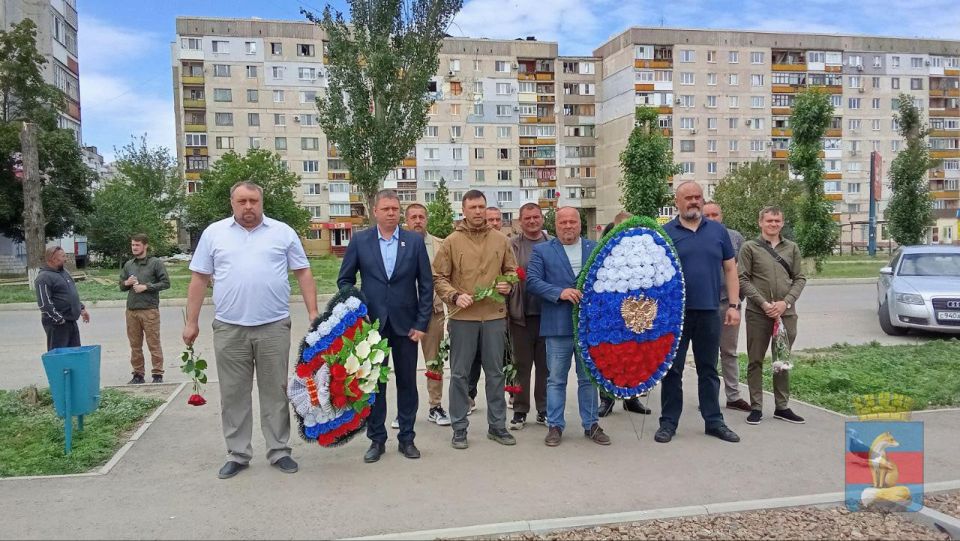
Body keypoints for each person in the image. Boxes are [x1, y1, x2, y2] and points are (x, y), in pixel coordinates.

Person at [183, 181, 318, 479]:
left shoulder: (282, 232)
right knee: (233, 394)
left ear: (261, 202)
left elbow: (303, 272)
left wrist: (313, 312)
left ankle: (279, 450)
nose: (248, 207)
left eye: (253, 201)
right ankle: (238, 453)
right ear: (232, 202)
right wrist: (191, 322)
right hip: (230, 329)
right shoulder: (214, 234)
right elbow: (199, 278)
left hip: (274, 326)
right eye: (242, 201)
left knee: (275, 391)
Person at [338, 191, 433, 462]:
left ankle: (407, 438)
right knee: (374, 384)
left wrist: (421, 323)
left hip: (407, 327)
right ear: (375, 212)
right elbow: (345, 281)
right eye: (386, 208)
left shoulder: (414, 242)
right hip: (372, 327)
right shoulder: (361, 241)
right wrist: (358, 310)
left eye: (395, 208)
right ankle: (377, 440)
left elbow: (426, 286)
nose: (391, 212)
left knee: (407, 383)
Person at [433, 190, 518, 450]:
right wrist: (455, 296)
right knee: (459, 375)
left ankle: (497, 426)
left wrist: (507, 284)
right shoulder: (451, 242)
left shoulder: (501, 240)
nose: (478, 212)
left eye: (482, 206)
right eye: (473, 207)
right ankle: (459, 428)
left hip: (493, 316)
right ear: (464, 209)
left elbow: (511, 271)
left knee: (495, 374)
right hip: (463, 319)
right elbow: (438, 277)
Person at [658, 182, 741, 444]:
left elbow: (730, 269)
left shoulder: (718, 231)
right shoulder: (665, 233)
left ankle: (714, 421)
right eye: (688, 198)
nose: (694, 202)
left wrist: (734, 306)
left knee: (708, 369)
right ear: (677, 202)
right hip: (676, 315)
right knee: (673, 370)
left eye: (698, 197)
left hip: (710, 311)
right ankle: (668, 423)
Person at [526, 207, 609, 447]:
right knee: (556, 380)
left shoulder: (594, 249)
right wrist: (559, 292)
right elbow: (532, 282)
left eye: (572, 221)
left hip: (588, 328)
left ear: (580, 225)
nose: (568, 226)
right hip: (557, 326)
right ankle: (554, 426)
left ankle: (591, 424)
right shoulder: (542, 251)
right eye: (563, 222)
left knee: (588, 379)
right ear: (556, 225)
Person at [738, 206, 808, 425]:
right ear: (761, 223)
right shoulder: (750, 248)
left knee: (781, 362)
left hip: (785, 315)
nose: (773, 224)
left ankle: (782, 407)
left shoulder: (792, 248)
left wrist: (785, 303)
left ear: (782, 223)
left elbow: (800, 279)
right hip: (758, 314)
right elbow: (743, 279)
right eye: (769, 220)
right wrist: (764, 303)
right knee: (755, 360)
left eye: (777, 221)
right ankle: (756, 407)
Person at [597, 211, 652, 417]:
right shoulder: (606, 248)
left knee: (634, 354)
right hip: (611, 309)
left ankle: (632, 398)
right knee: (610, 354)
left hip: (636, 308)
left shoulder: (642, 249)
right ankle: (606, 399)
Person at [402, 203, 451, 427]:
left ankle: (435, 406)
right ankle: (404, 410)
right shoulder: (397, 244)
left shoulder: (441, 245)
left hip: (432, 311)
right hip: (403, 314)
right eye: (413, 217)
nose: (418, 221)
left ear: (427, 219)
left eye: (422, 216)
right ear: (406, 220)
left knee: (434, 362)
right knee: (404, 364)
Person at [702, 202, 750, 412]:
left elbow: (744, 270)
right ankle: (709, 398)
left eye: (716, 214)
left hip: (728, 303)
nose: (712, 218)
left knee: (729, 351)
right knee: (707, 353)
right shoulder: (696, 236)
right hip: (704, 304)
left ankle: (733, 395)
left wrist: (737, 299)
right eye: (708, 215)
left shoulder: (735, 237)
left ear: (722, 215)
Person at [506, 203, 550, 430]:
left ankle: (544, 409)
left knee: (545, 367)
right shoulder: (511, 246)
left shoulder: (553, 244)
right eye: (527, 218)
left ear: (542, 219)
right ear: (519, 221)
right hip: (520, 314)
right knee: (521, 366)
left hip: (548, 315)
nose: (532, 221)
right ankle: (520, 410)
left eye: (536, 217)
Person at [465, 204, 507, 412]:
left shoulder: (506, 243)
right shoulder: (464, 242)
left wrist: (509, 284)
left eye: (497, 220)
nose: (493, 223)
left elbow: (512, 273)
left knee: (500, 361)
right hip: (471, 313)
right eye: (490, 220)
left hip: (500, 313)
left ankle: (501, 408)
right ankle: (469, 395)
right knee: (472, 359)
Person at [120, 234, 171, 384]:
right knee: (135, 345)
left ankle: (157, 374)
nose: (134, 248)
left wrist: (147, 287)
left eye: (137, 245)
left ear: (145, 246)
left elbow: (166, 283)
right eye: (132, 245)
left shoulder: (155, 263)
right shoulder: (129, 264)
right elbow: (121, 285)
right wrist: (126, 283)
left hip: (149, 310)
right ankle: (138, 374)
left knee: (153, 343)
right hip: (132, 310)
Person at [35, 246, 89, 351]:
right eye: (63, 256)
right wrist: (59, 319)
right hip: (57, 324)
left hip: (71, 321)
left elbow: (71, 294)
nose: (66, 259)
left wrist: (81, 308)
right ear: (53, 259)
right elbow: (44, 304)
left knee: (74, 354)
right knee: (59, 357)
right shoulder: (43, 278)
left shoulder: (64, 273)